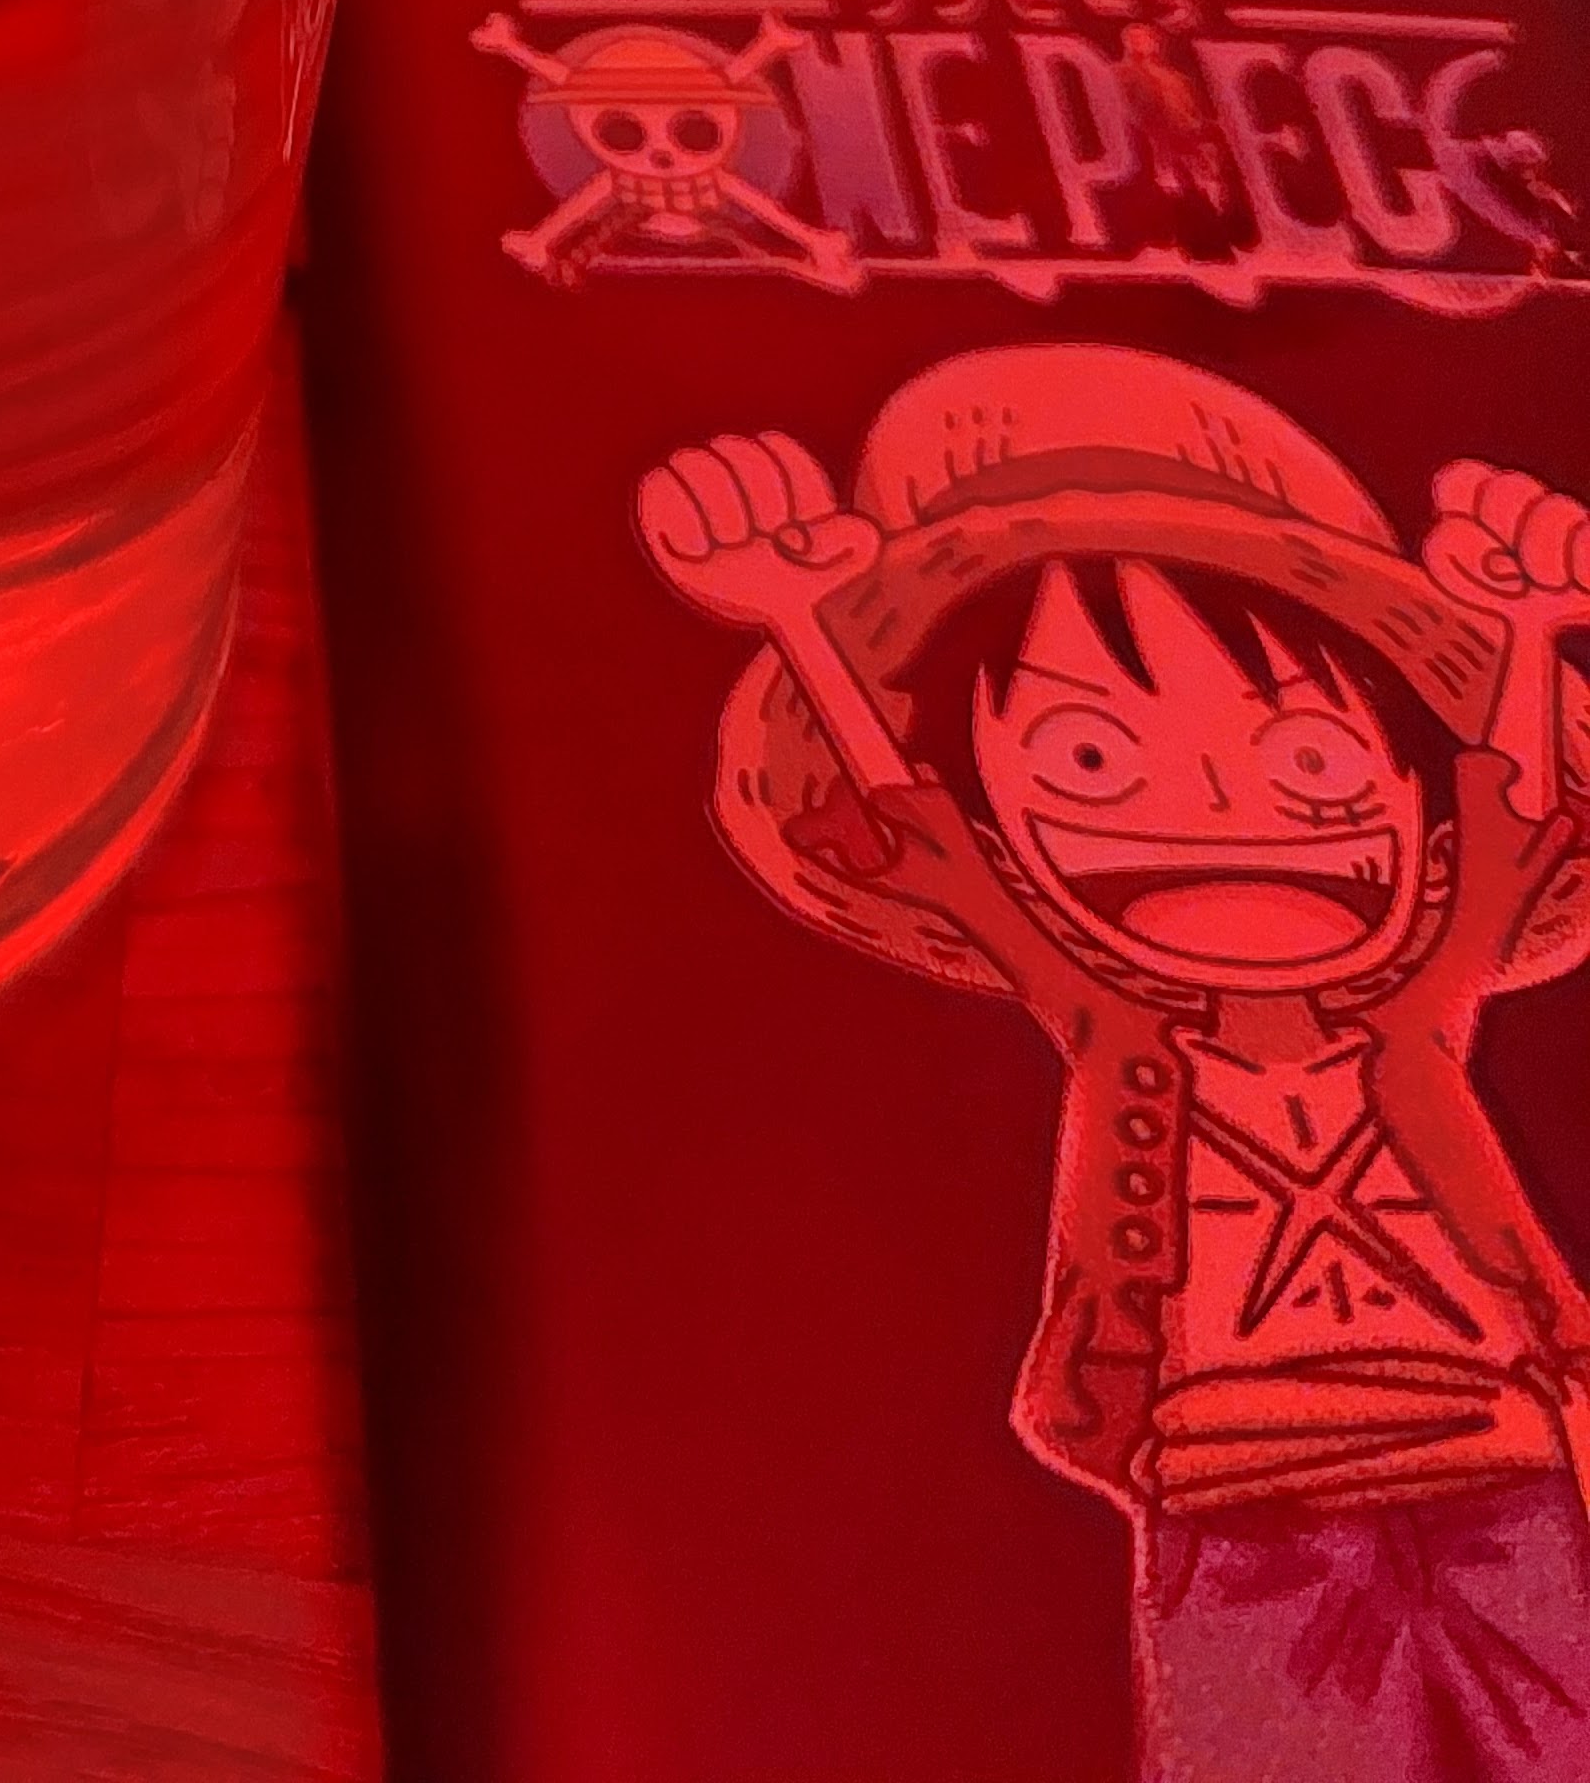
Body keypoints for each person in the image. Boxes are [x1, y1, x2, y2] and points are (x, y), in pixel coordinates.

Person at [641, 349, 1590, 1782]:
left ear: (1412, 801)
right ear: (1008, 820)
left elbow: (1516, 824)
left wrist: (1523, 635)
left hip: (1504, 1488)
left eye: (1314, 764)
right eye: (1088, 761)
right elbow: (912, 834)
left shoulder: (1419, 1009)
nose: (1218, 808)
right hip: (1237, 1514)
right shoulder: (1109, 1021)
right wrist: (798, 623)